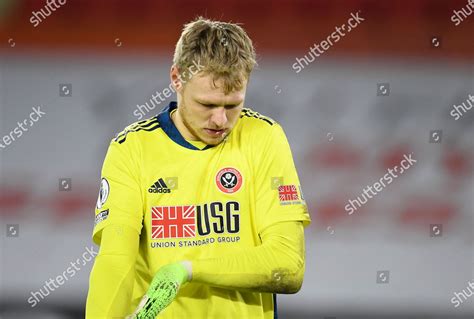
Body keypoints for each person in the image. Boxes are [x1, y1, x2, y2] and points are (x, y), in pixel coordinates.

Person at [85, 16, 311, 318]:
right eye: (207, 104)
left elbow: (288, 265)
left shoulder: (264, 138)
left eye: (232, 105)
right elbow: (115, 259)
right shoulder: (132, 149)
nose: (220, 120)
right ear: (177, 78)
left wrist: (186, 270)